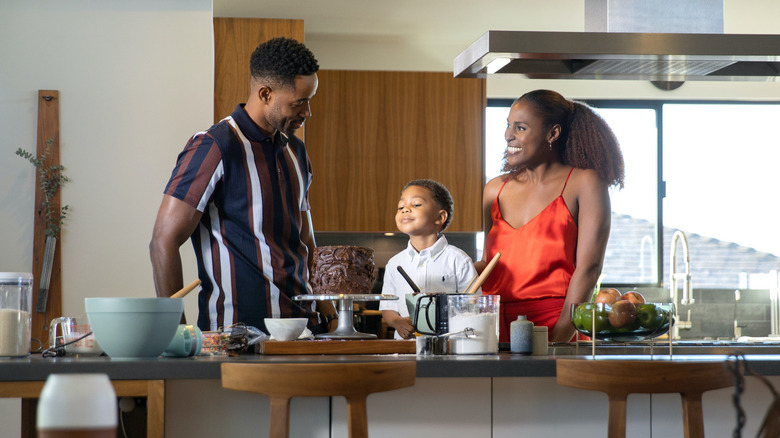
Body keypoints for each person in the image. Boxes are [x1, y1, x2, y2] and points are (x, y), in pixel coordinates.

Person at [149, 37, 337, 335]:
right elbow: (163, 240)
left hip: (304, 330)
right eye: (299, 102)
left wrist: (328, 309)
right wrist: (174, 331)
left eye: (309, 100)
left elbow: (305, 239)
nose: (307, 112)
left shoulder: (297, 152)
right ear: (265, 93)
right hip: (235, 335)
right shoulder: (214, 146)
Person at [477, 89, 624, 343]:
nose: (508, 135)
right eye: (508, 125)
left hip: (557, 326)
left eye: (520, 127)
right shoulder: (494, 189)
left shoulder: (584, 183)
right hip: (493, 328)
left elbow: (588, 269)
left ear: (552, 133)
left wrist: (557, 339)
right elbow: (488, 265)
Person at [380, 179, 478, 339]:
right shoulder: (394, 263)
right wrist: (397, 322)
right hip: (406, 349)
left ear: (440, 217)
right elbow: (388, 306)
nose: (405, 210)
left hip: (449, 347)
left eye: (416, 204)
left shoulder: (458, 260)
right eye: (401, 206)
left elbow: (473, 305)